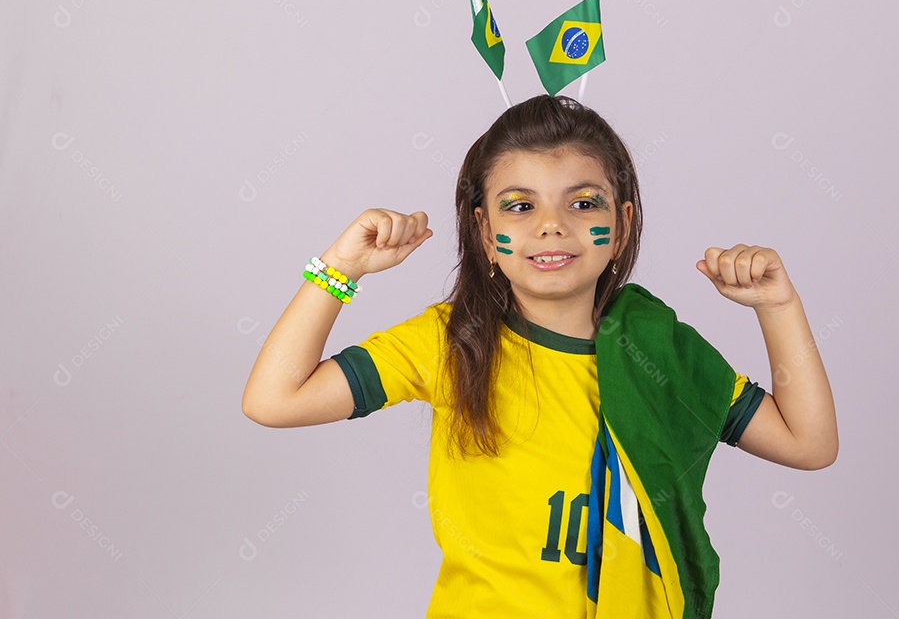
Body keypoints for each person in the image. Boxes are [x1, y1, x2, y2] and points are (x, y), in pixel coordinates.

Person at [241, 94, 838, 618]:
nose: (551, 227)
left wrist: (778, 306)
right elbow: (274, 399)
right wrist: (341, 268)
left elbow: (808, 444)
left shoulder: (662, 350)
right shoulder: (450, 341)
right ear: (483, 233)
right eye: (520, 206)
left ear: (622, 224)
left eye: (583, 204)